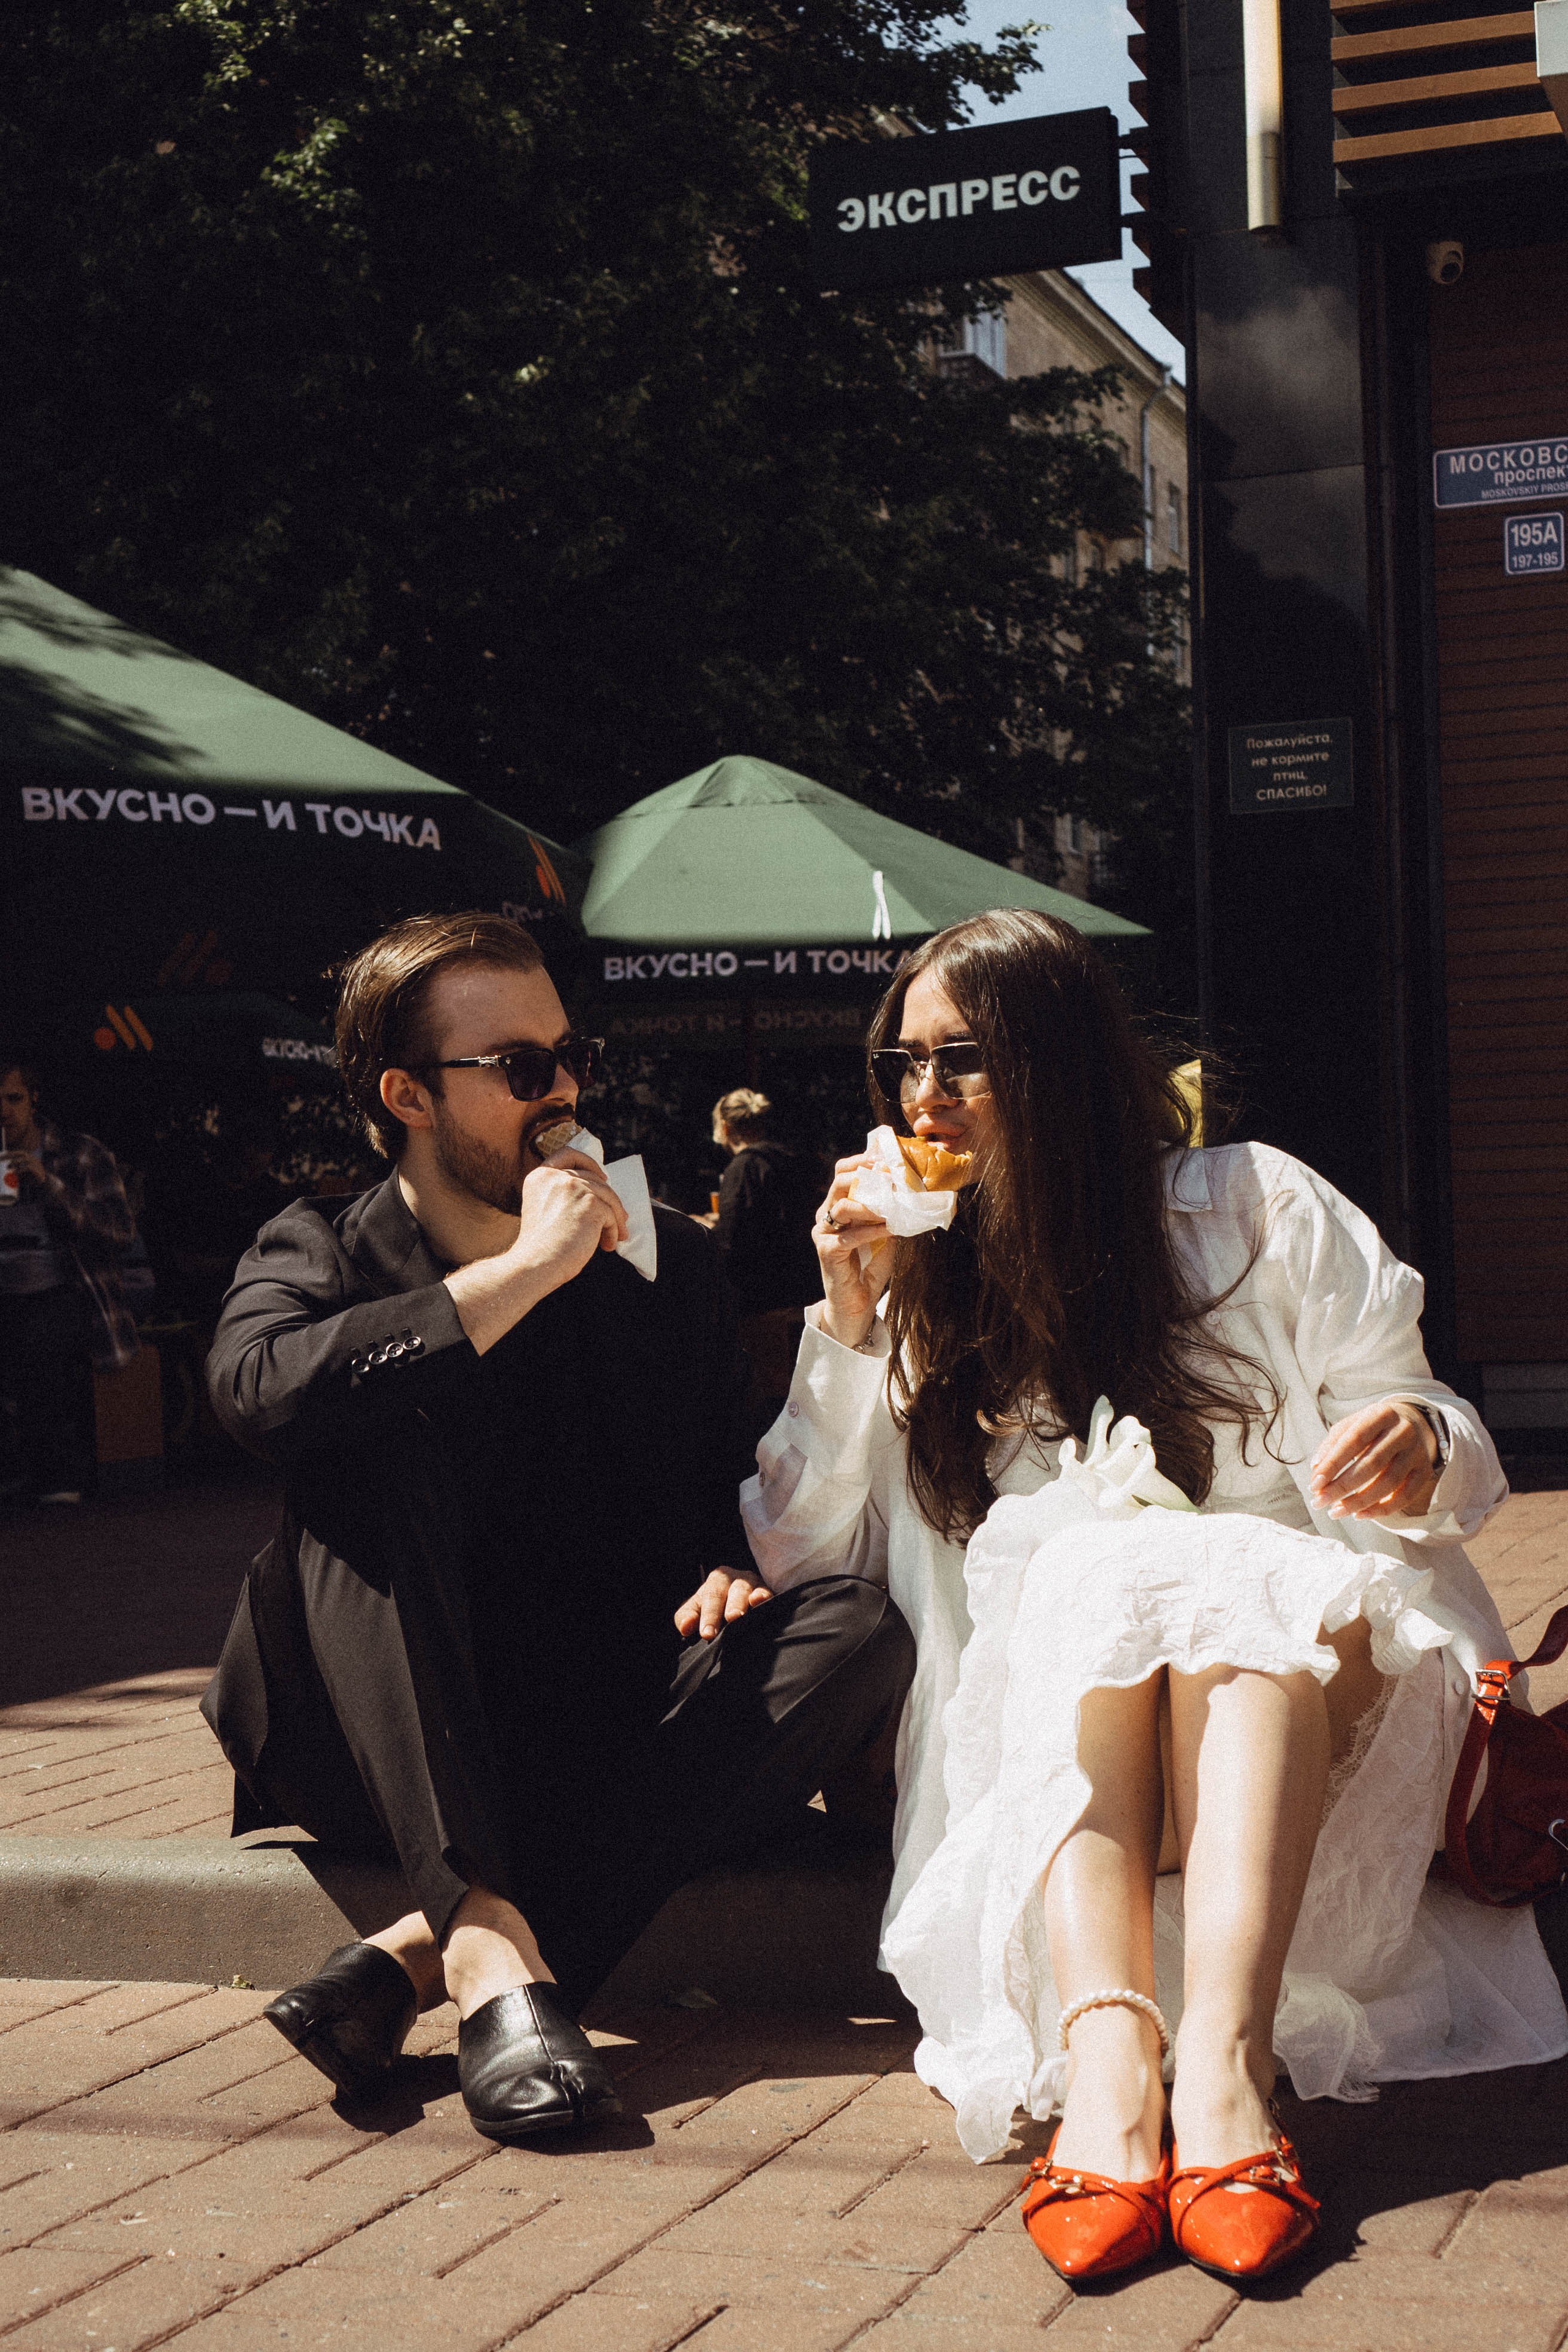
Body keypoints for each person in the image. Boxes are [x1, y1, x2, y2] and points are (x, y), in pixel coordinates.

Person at [741, 910, 1568, 2287]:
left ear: (1055, 1062)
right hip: (1074, 1750)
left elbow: (1427, 1425)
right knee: (1101, 1565)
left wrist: (1421, 1440)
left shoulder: (1252, 1204)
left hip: (1329, 1715)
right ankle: (1115, 2062)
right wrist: (842, 1322)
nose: (923, 1100)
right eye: (903, 1064)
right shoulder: (917, 1280)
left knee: (1198, 1565)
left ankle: (1223, 2071)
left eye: (964, 1062)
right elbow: (803, 1548)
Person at [200, 912, 913, 2145]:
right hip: (368, 1739)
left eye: (567, 1055)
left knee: (855, 1626)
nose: (564, 1091)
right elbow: (256, 1391)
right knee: (365, 1444)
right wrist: (521, 1271)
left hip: (580, 1717)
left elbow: (719, 1472)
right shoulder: (323, 1246)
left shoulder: (660, 1263)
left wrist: (725, 1561)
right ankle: (481, 1934)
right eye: (519, 1068)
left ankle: (435, 1957)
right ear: (405, 1094)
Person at [0, 1058, 141, 1502]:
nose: (4, 1110)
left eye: (13, 1098)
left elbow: (118, 1231)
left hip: (66, 1291)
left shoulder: (78, 1153)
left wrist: (50, 1184)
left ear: (34, 1099)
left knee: (46, 1347)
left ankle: (60, 1480)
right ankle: (31, 1473)